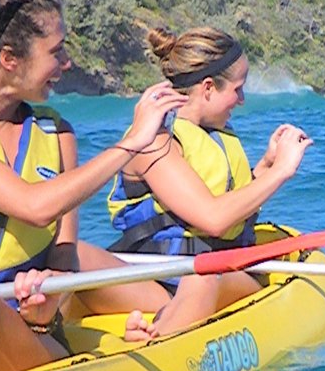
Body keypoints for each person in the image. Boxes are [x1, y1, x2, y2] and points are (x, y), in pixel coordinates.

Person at [0, 0, 186, 371]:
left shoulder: (57, 135)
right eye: (56, 52)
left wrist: (43, 308)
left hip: (33, 337)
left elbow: (63, 255)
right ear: (9, 58)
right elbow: (35, 207)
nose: (68, 63)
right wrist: (129, 144)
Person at [107, 25, 311, 338]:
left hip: (212, 276)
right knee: (72, 255)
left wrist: (266, 168)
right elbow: (214, 219)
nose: (241, 100)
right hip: (158, 277)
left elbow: (225, 209)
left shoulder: (213, 133)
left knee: (202, 275)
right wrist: (282, 170)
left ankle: (157, 334)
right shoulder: (154, 140)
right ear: (207, 89)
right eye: (237, 89)